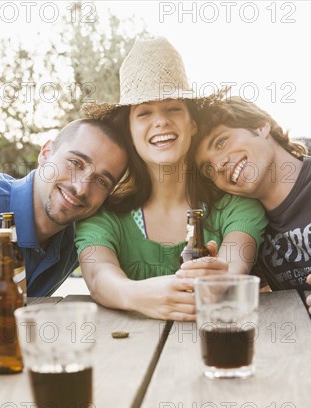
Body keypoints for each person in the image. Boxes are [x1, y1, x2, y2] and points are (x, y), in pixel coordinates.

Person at [75, 37, 267, 321]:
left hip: (217, 346)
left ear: (192, 125)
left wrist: (218, 274)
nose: (161, 121)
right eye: (144, 112)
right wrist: (136, 295)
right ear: (129, 131)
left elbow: (233, 267)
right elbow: (99, 276)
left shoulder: (236, 207)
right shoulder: (105, 214)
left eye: (173, 108)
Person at [0, 119, 128, 315]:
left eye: (101, 181)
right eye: (75, 163)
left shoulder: (81, 238)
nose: (81, 188)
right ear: (46, 153)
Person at [194, 95, 311, 316]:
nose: (219, 164)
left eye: (221, 141)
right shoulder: (249, 226)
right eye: (207, 169)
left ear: (260, 125)